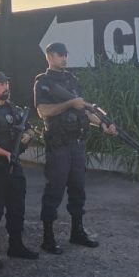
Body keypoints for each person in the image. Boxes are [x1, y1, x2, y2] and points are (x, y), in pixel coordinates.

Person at [34, 42, 117, 254]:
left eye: (66, 55)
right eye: (60, 55)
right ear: (49, 56)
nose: (64, 58)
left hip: (77, 144)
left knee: (78, 190)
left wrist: (103, 124)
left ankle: (77, 232)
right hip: (59, 146)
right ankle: (48, 238)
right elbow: (43, 111)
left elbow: (84, 111)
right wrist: (70, 103)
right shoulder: (43, 82)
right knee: (54, 191)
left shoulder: (71, 80)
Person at [0, 71, 39, 269]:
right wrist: (5, 153)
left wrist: (28, 135)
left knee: (17, 209)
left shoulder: (14, 109)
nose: (5, 87)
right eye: (1, 84)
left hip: (14, 166)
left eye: (6, 83)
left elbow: (29, 128)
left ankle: (16, 246)